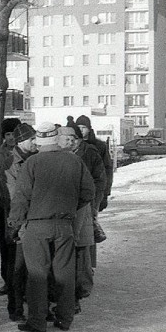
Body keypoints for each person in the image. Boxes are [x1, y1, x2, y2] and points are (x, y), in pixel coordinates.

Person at [8, 122, 95, 332]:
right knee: (64, 273)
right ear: (56, 139)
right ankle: (65, 318)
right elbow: (88, 192)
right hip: (65, 225)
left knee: (37, 275)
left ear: (39, 140)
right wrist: (70, 208)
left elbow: (21, 198)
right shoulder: (75, 161)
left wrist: (15, 224)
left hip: (37, 226)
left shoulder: (32, 163)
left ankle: (37, 321)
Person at [61, 123, 106, 313]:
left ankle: (82, 287)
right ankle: (70, 289)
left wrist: (95, 204)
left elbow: (100, 179)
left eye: (73, 138)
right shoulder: (57, 156)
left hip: (83, 207)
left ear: (78, 139)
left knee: (82, 247)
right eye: (67, 138)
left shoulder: (90, 153)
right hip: (65, 209)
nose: (70, 141)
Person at [4, 122, 37, 322]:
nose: (35, 142)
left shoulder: (37, 159)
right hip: (18, 221)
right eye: (31, 139)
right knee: (17, 267)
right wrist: (15, 225)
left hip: (33, 219)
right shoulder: (11, 163)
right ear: (21, 141)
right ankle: (15, 307)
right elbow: (15, 196)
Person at [0, 118, 21, 296]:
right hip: (0, 205)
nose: (11, 138)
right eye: (8, 134)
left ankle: (20, 281)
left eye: (14, 134)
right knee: (5, 243)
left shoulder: (26, 152)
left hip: (20, 205)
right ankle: (8, 280)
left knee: (19, 244)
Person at [75, 115, 112, 243]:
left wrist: (105, 194)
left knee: (91, 227)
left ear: (89, 129)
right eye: (78, 127)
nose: (81, 130)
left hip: (95, 191)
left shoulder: (99, 146)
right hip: (79, 192)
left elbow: (106, 171)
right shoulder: (73, 146)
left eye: (83, 127)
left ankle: (90, 260)